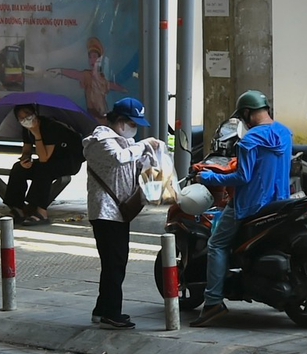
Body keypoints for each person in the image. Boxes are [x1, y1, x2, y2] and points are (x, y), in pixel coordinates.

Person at [191, 90, 292, 327]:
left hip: (249, 206)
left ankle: (213, 301)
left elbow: (243, 176)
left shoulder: (249, 140)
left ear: (247, 114)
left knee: (216, 244)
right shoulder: (285, 133)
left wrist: (208, 178)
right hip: (280, 203)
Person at [82, 98, 166, 330]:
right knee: (114, 263)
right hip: (105, 211)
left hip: (119, 212)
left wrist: (151, 158)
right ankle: (111, 313)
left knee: (114, 262)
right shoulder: (100, 141)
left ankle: (101, 310)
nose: (134, 129)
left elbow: (135, 165)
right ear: (120, 121)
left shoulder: (124, 142)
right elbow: (118, 159)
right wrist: (143, 145)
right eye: (132, 123)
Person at [8, 106, 83, 224]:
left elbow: (44, 158)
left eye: (27, 114)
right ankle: (18, 208)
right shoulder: (26, 129)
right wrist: (25, 160)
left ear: (35, 113)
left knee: (44, 170)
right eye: (21, 117)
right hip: (49, 160)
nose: (25, 119)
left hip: (68, 161)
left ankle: (41, 212)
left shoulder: (50, 127)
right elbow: (26, 150)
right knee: (18, 168)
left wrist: (37, 133)